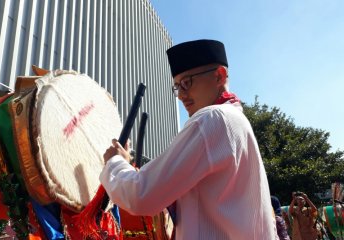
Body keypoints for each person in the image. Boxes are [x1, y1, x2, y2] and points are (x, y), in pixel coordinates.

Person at [100, 39, 276, 239]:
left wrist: (115, 162)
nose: (181, 95)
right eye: (177, 87)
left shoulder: (212, 119)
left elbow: (141, 195)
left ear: (219, 75)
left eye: (186, 82)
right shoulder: (237, 122)